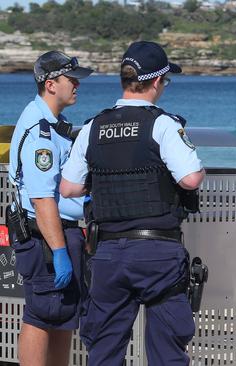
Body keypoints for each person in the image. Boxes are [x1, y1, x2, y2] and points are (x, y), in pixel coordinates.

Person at [59, 41, 204, 366]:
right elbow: (190, 180)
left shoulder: (93, 126)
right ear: (156, 82)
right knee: (167, 351)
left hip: (107, 253)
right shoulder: (164, 124)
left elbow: (68, 188)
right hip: (158, 254)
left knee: (104, 350)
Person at [8, 50, 93, 366]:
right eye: (72, 79)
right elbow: (42, 199)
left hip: (61, 231)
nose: (77, 85)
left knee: (63, 316)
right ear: (51, 83)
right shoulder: (40, 131)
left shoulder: (56, 124)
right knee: (43, 313)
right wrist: (58, 251)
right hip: (45, 235)